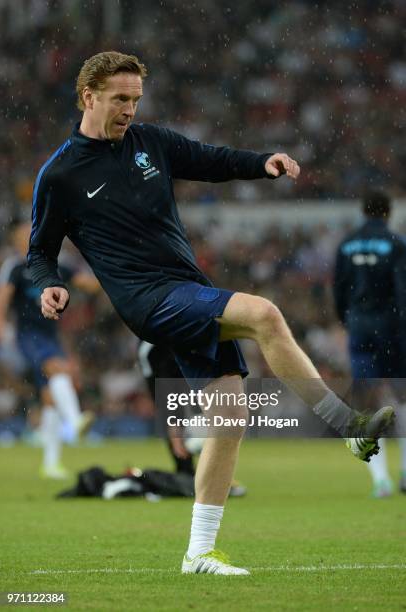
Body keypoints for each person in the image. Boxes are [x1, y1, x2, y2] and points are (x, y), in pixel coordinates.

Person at [27, 51, 394, 575]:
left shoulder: (150, 143)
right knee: (264, 314)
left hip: (184, 288)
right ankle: (348, 427)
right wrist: (48, 286)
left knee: (230, 415)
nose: (130, 109)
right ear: (88, 97)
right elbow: (39, 252)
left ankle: (198, 553)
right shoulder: (60, 173)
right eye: (119, 99)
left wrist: (262, 163)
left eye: (135, 99)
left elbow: (212, 159)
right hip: (147, 300)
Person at [0, 220, 97, 478]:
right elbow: (3, 297)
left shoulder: (53, 264)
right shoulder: (15, 267)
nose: (29, 238)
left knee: (50, 398)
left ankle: (51, 463)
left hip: (51, 333)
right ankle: (75, 421)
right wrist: (0, 327)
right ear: (16, 241)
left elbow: (87, 283)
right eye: (23, 236)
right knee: (58, 369)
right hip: (27, 335)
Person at [333, 190, 406, 498]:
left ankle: (380, 481)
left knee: (366, 401)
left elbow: (339, 290)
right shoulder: (397, 244)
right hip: (392, 328)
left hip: (360, 327)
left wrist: (348, 321)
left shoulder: (347, 244)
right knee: (401, 398)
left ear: (364, 211)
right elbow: (402, 290)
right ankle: (405, 473)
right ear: (388, 212)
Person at [137, 340, 247, 497]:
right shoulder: (154, 350)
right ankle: (192, 477)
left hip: (188, 369)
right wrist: (173, 424)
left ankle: (212, 479)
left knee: (206, 419)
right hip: (166, 377)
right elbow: (165, 390)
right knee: (182, 433)